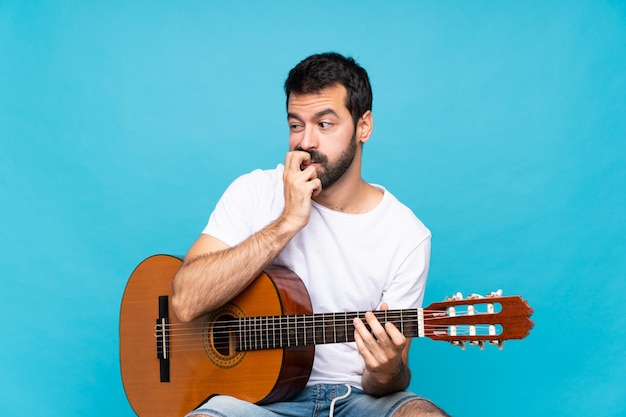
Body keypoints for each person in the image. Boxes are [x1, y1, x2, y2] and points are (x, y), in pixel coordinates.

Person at [172, 52, 450, 417]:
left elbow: (386, 381)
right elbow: (185, 300)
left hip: (355, 400)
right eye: (296, 125)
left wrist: (388, 370)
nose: (306, 142)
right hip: (253, 403)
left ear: (363, 126)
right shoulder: (254, 190)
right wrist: (286, 223)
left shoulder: (406, 235)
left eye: (325, 124)